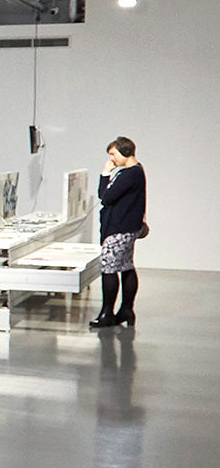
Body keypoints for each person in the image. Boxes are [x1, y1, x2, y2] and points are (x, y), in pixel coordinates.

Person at [92, 136, 146, 328]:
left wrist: (105, 174)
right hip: (128, 228)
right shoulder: (136, 172)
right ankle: (126, 310)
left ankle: (107, 313)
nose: (111, 159)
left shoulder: (130, 174)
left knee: (109, 269)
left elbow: (105, 197)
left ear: (125, 152)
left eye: (113, 154)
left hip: (119, 228)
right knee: (125, 266)